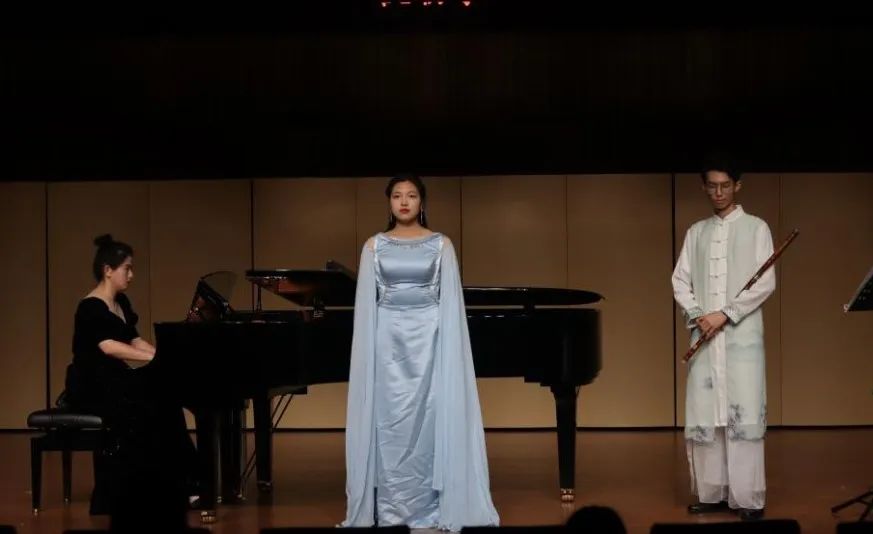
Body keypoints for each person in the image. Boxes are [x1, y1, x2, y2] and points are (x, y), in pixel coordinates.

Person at [342, 174, 499, 530]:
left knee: (430, 419)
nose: (404, 201)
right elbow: (366, 306)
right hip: (387, 342)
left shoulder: (442, 245)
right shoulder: (373, 246)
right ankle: (391, 509)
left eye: (411, 195)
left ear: (422, 202)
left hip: (430, 339)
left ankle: (432, 507)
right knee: (390, 421)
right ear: (389, 202)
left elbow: (450, 302)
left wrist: (446, 346)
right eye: (397, 195)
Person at [64, 234, 195, 527]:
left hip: (114, 377)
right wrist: (154, 359)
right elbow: (109, 346)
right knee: (148, 403)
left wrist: (161, 355)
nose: (131, 275)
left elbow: (133, 339)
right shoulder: (90, 307)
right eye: (127, 268)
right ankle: (152, 483)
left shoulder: (120, 301)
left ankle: (180, 479)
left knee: (166, 397)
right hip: (91, 382)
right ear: (108, 270)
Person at [671, 157, 775, 521]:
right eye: (712, 186)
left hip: (741, 339)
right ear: (704, 187)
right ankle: (713, 493)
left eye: (725, 185)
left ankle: (748, 499)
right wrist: (698, 313)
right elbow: (680, 280)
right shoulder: (695, 232)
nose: (718, 192)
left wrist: (725, 314)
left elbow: (765, 283)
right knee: (708, 416)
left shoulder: (757, 228)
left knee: (742, 416)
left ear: (737, 186)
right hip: (704, 336)